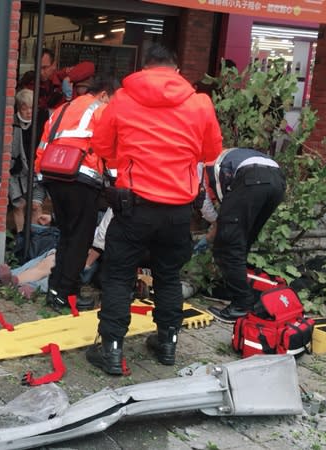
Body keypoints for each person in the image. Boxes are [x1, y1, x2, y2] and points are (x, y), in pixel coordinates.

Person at [88, 44, 223, 375]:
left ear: (144, 68)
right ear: (176, 69)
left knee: (119, 274)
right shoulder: (199, 103)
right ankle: (167, 343)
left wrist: (129, 160)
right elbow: (211, 151)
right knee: (168, 275)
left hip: (136, 205)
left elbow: (103, 146)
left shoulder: (122, 100)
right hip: (179, 209)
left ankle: (112, 350)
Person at [35, 76, 118, 312]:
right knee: (79, 241)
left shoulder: (62, 109)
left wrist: (41, 177)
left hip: (55, 176)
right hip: (82, 179)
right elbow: (109, 148)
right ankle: (67, 294)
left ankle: (55, 290)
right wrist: (116, 179)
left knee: (66, 236)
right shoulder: (99, 109)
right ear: (104, 95)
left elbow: (43, 144)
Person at [204, 148, 286, 322]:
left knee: (227, 246)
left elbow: (203, 201)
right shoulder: (221, 156)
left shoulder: (199, 166)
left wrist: (216, 226)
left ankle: (241, 305)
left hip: (252, 179)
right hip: (277, 180)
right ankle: (240, 292)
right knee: (243, 241)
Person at [8, 88, 47, 233]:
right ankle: (20, 239)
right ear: (19, 108)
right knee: (19, 205)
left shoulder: (41, 122)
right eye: (25, 108)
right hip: (16, 171)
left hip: (37, 169)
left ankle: (35, 238)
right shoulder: (11, 123)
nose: (29, 112)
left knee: (36, 205)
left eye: (32, 108)